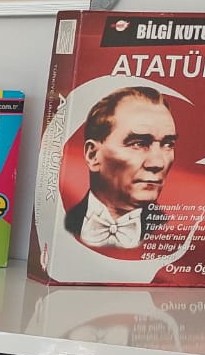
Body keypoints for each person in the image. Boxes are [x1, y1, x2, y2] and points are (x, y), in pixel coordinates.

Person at [65, 86, 177, 250]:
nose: (158, 163)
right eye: (138, 144)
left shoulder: (172, 231)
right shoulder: (62, 222)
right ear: (93, 155)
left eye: (168, 144)